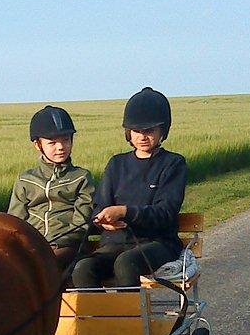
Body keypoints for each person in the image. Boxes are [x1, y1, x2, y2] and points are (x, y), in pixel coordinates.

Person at [72, 88, 187, 289]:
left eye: (149, 130)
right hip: (115, 243)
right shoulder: (116, 164)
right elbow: (100, 206)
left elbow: (166, 212)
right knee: (83, 268)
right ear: (128, 132)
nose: (142, 136)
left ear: (163, 130)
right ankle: (99, 319)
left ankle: (131, 319)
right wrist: (102, 221)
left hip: (158, 243)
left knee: (126, 263)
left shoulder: (173, 164)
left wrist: (125, 211)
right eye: (136, 131)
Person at [7, 106, 95, 271]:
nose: (60, 147)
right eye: (52, 143)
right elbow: (15, 221)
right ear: (38, 145)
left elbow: (81, 222)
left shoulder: (81, 177)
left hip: (67, 247)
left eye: (66, 140)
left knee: (43, 267)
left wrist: (58, 244)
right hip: (31, 247)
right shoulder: (26, 180)